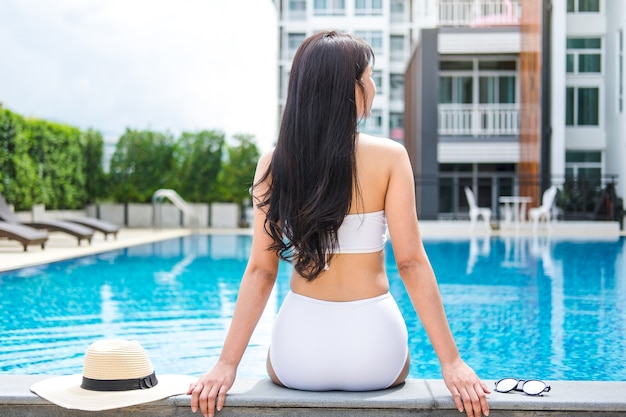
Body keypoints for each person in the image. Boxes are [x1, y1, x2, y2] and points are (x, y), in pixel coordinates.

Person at [188, 30, 490, 417]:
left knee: (274, 352)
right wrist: (452, 362)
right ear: (351, 88)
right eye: (369, 76)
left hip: (298, 355)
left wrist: (226, 365)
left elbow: (261, 273)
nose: (374, 85)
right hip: (376, 354)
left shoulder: (275, 163)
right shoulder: (390, 157)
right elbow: (411, 264)